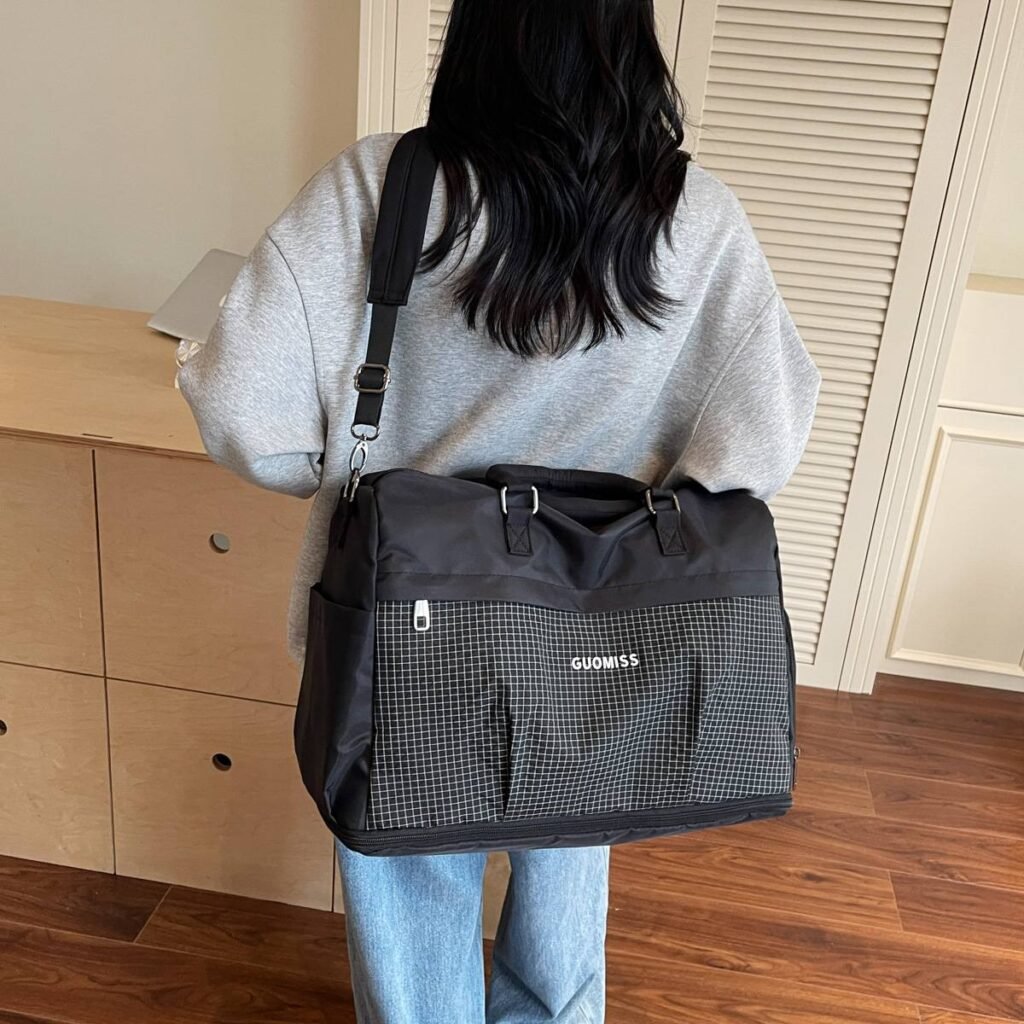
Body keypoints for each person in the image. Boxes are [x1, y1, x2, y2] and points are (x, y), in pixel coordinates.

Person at [177, 1, 821, 1020]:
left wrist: (348, 473)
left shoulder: (377, 188)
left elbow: (243, 415)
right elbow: (760, 444)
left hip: (405, 622)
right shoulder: (693, 216)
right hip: (603, 629)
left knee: (409, 873)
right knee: (568, 847)